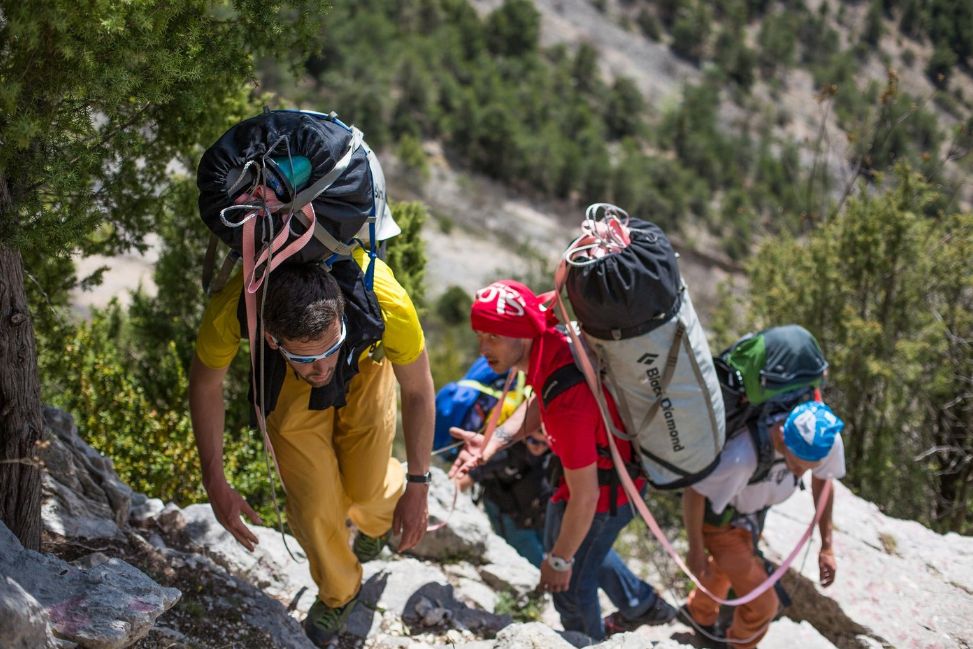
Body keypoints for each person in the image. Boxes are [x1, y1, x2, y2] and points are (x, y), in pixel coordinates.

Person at [188, 249, 435, 646]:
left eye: (328, 347)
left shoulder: (383, 298)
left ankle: (377, 518)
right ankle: (340, 592)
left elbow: (419, 387)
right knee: (314, 503)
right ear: (271, 337)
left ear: (341, 314)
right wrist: (214, 480)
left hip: (365, 363)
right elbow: (205, 385)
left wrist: (419, 483)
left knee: (366, 487)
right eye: (308, 357)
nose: (322, 368)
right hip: (286, 383)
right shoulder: (235, 307)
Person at [450, 280, 676, 641]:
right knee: (573, 555)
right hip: (579, 482)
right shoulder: (548, 342)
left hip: (607, 495)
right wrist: (493, 442)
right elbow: (542, 397)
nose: (483, 348)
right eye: (481, 335)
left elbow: (586, 498)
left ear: (521, 333)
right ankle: (638, 606)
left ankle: (592, 640)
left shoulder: (567, 401)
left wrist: (558, 561)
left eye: (493, 337)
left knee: (570, 586)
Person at [681, 400, 844, 649]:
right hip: (722, 522)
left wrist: (827, 546)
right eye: (797, 466)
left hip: (751, 518)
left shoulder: (825, 439)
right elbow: (695, 492)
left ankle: (698, 613)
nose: (800, 475)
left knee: (727, 569)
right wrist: (695, 550)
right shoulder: (742, 456)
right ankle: (740, 645)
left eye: (807, 469)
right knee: (764, 604)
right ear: (781, 437)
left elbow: (823, 482)